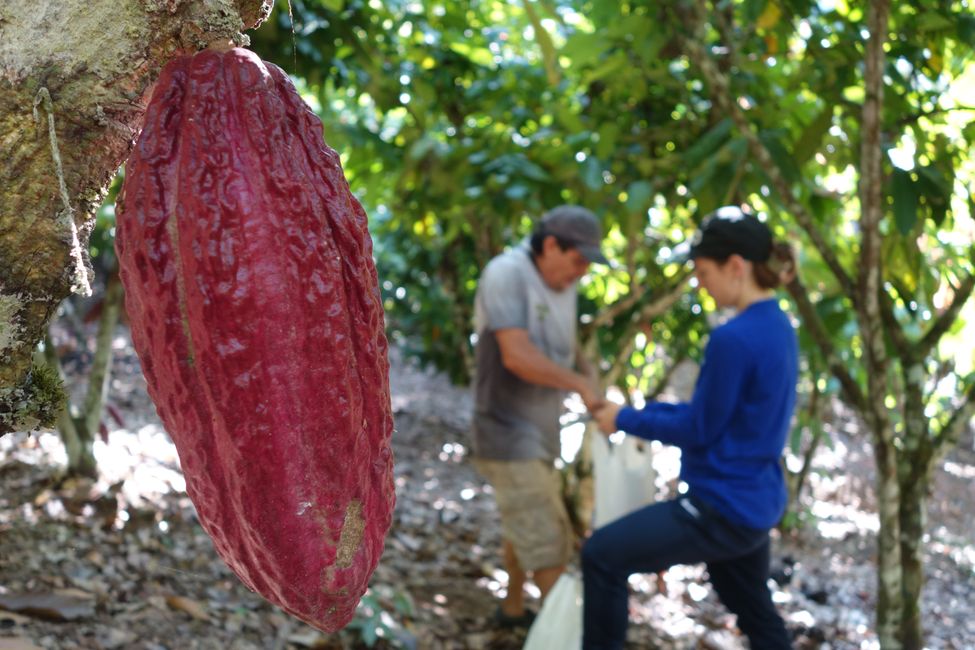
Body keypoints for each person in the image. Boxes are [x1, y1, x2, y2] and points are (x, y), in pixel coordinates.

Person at [585, 206, 798, 649]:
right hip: (755, 501)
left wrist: (624, 418)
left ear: (736, 266)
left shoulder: (733, 338)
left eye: (704, 272)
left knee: (601, 556)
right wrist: (639, 412)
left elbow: (701, 429)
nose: (700, 283)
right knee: (753, 607)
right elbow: (717, 415)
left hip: (722, 508)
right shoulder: (779, 325)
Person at [471, 205, 608, 628]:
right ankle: (565, 635)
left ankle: (512, 609)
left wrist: (587, 373)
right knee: (548, 539)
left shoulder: (561, 282)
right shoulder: (507, 273)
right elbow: (517, 356)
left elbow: (565, 344)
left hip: (541, 431)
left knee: (524, 520)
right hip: (505, 431)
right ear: (550, 245)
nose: (582, 271)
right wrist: (580, 386)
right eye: (578, 259)